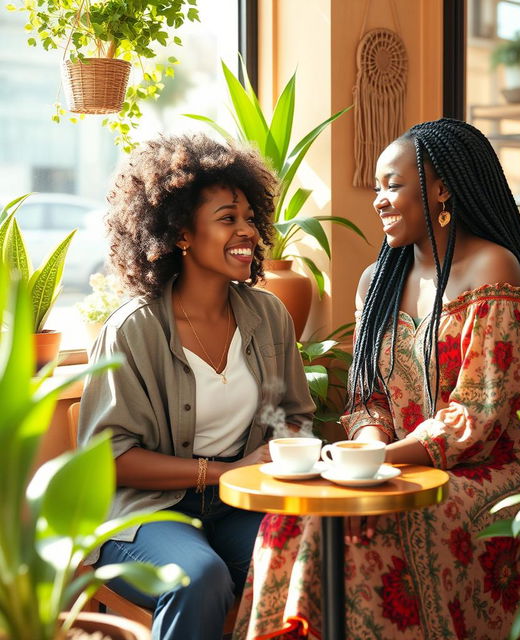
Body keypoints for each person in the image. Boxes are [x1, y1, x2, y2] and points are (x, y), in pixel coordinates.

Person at [232, 118, 520, 640]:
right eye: (378, 187)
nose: (379, 199)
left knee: (379, 530)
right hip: (396, 464)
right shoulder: (376, 281)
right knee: (293, 518)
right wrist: (368, 454)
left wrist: (382, 464)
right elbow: (368, 399)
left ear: (442, 187)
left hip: (488, 468)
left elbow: (478, 415)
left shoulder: (493, 268)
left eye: (394, 184)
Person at [78, 133, 315, 640]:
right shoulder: (133, 330)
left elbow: (291, 412)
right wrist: (226, 472)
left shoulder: (268, 315)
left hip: (240, 505)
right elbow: (110, 459)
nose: (247, 230)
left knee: (306, 553)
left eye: (251, 217)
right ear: (182, 232)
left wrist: (281, 447)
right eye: (228, 218)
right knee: (198, 577)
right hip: (146, 512)